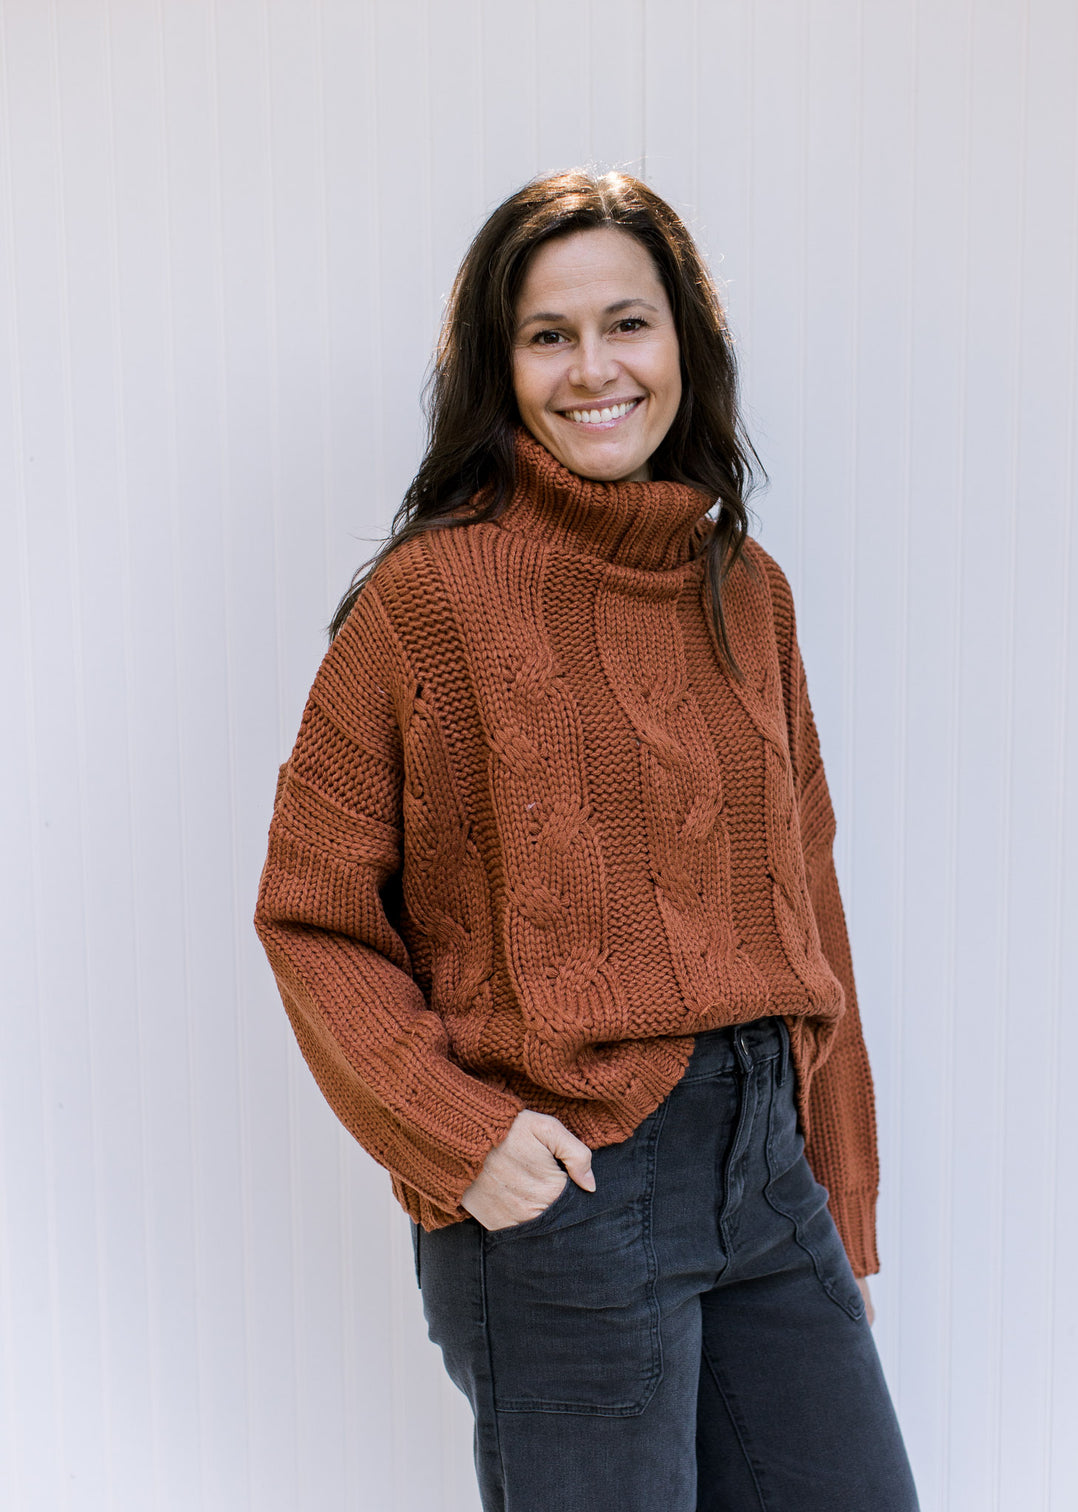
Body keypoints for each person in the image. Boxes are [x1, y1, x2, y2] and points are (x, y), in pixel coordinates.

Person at [254, 168, 920, 1512]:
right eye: (548, 335)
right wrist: (460, 1133)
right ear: (500, 370)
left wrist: (837, 1177)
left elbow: (809, 888)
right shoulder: (430, 600)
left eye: (629, 323)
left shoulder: (751, 590)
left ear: (686, 343)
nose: (593, 368)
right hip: (572, 1190)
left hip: (766, 1165)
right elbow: (312, 912)